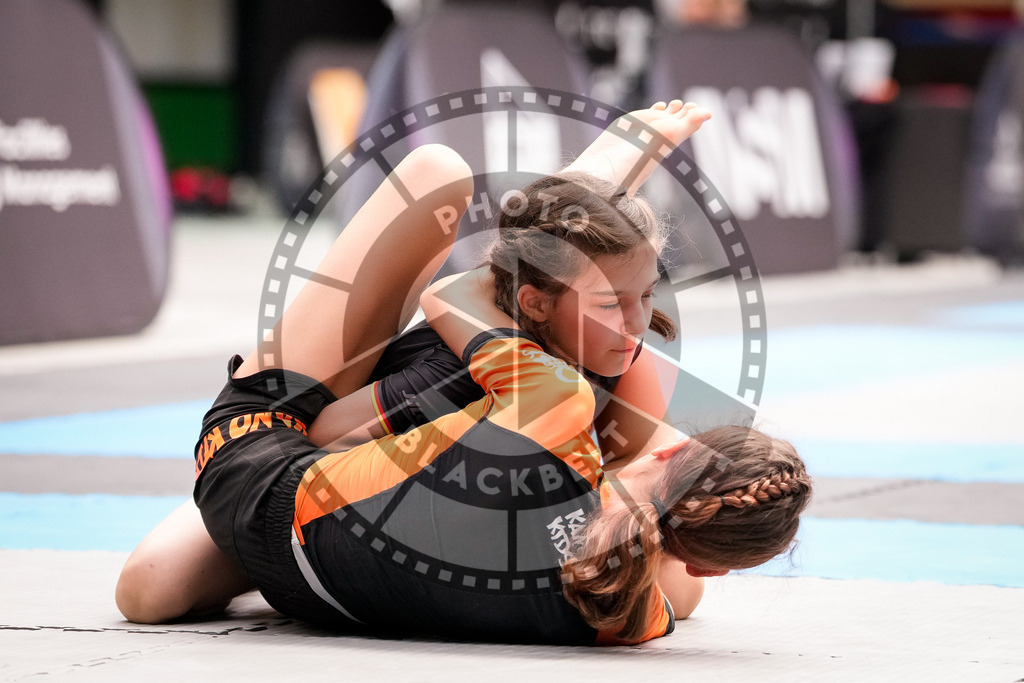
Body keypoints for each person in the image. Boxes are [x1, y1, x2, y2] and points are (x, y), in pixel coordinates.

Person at [116, 103, 812, 644]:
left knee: (147, 591)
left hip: (274, 468)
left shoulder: (560, 400)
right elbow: (673, 566)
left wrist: (617, 158)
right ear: (708, 564)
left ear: (678, 446)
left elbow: (452, 300)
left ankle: (588, 228)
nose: (635, 324)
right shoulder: (635, 618)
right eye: (625, 302)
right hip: (316, 536)